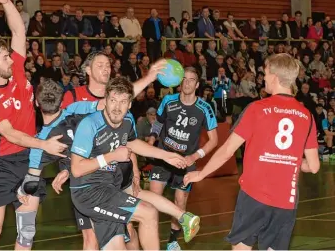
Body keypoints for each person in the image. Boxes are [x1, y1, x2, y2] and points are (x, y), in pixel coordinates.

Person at [18, 78, 201, 250]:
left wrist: (166, 155)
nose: (117, 107)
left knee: (117, 244)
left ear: (129, 104)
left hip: (110, 186)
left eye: (123, 102)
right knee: (148, 212)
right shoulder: (88, 124)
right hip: (89, 191)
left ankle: (181, 216)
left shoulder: (125, 119)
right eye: (113, 100)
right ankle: (181, 215)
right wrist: (112, 156)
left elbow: (132, 142)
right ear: (105, 100)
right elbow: (77, 168)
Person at [184, 53, 320, 250]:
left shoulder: (257, 108)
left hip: (254, 196)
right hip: (286, 200)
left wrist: (201, 173)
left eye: (265, 73)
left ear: (274, 76)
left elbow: (227, 150)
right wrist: (286, 159)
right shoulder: (306, 115)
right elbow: (314, 166)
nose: (263, 78)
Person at [0, 0, 67, 250]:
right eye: (5, 57)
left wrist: (5, 3)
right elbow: (10, 134)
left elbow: (18, 30)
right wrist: (44, 144)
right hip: (2, 164)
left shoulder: (14, 70)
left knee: (27, 230)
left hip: (30, 160)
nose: (12, 60)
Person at [60, 50, 166, 250]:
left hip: (112, 178)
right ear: (87, 70)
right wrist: (64, 167)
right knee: (91, 239)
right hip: (87, 180)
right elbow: (62, 133)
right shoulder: (75, 98)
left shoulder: (117, 103)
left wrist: (135, 167)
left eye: (108, 65)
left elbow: (128, 136)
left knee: (128, 231)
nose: (106, 69)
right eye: (100, 65)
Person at [148, 66, 219, 250]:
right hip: (164, 157)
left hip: (186, 163)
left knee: (180, 202)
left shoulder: (205, 108)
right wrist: (151, 140)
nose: (186, 83)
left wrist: (194, 156)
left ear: (197, 85)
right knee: (153, 199)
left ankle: (172, 241)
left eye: (191, 80)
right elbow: (158, 123)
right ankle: (151, 240)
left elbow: (214, 140)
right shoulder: (168, 100)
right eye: (184, 79)